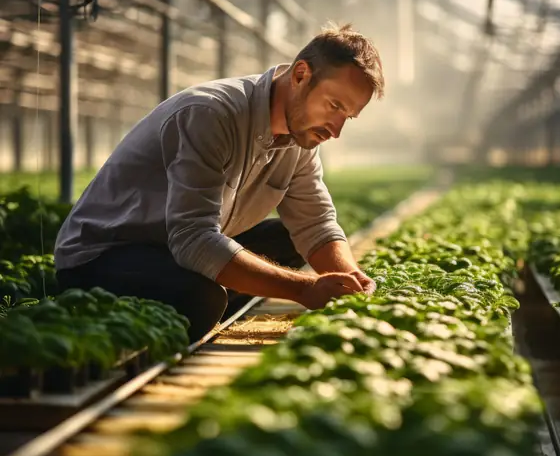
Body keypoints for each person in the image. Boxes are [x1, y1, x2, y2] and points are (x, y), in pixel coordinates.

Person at [54, 23, 385, 341]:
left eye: (348, 116)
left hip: (172, 247)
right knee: (201, 300)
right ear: (301, 75)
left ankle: (219, 289)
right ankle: (213, 297)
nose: (336, 130)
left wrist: (349, 283)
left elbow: (316, 225)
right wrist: (303, 289)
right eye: (334, 106)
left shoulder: (300, 139)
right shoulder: (209, 114)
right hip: (106, 256)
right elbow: (193, 239)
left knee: (289, 239)